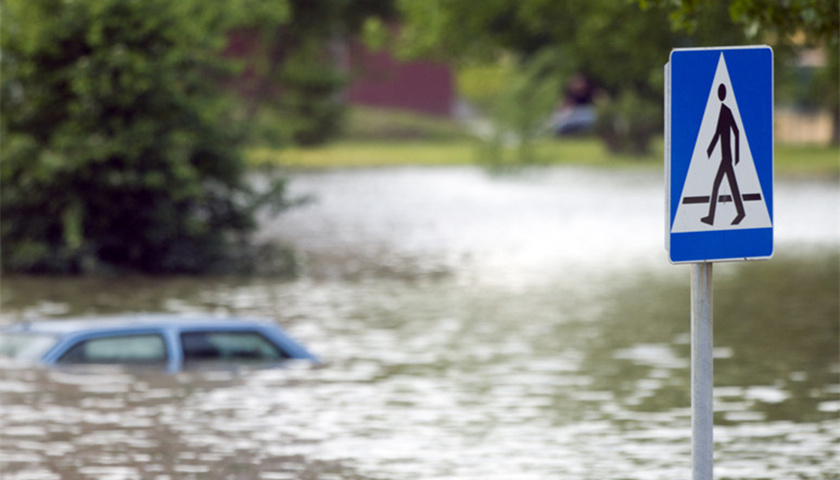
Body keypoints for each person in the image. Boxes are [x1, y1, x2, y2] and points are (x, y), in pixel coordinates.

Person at [702, 83, 745, 226]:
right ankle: (740, 213)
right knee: (731, 185)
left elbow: (737, 132)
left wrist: (738, 155)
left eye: (721, 92)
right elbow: (718, 133)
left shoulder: (726, 111)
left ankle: (712, 217)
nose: (719, 95)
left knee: (717, 185)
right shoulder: (721, 111)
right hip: (724, 156)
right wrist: (710, 149)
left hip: (727, 157)